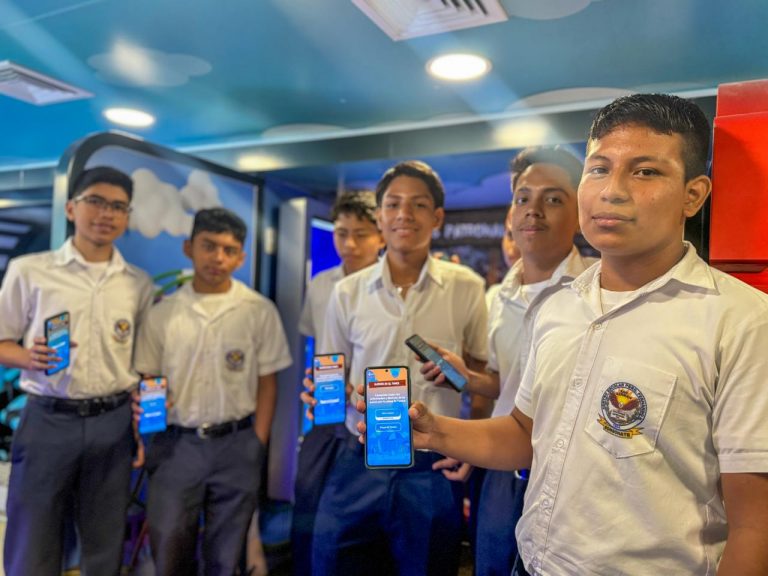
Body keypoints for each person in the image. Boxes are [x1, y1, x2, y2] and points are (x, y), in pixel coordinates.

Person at [362, 94, 768, 575]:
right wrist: (437, 431)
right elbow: (525, 433)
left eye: (645, 172)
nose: (613, 191)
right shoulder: (559, 307)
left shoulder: (742, 320)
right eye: (599, 169)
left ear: (693, 195)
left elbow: (755, 526)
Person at [307, 160, 488, 576]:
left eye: (418, 204)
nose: (404, 214)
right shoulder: (346, 292)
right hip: (358, 458)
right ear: (380, 216)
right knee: (336, 564)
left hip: (432, 464)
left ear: (437, 217)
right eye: (393, 204)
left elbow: (479, 375)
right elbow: (332, 373)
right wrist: (329, 393)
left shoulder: (466, 287)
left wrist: (474, 445)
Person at [0, 166, 154, 576]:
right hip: (48, 419)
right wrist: (28, 357)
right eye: (96, 202)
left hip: (113, 422)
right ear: (71, 208)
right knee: (33, 537)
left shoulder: (138, 284)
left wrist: (143, 430)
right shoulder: (30, 270)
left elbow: (143, 364)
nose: (106, 214)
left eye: (118, 206)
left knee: (105, 542)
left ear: (127, 216)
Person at [134, 208, 292, 575]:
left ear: (241, 258)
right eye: (209, 246)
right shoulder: (163, 313)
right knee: (170, 550)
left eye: (229, 250)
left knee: (227, 555)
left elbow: (267, 383)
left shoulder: (258, 310)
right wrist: (150, 419)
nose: (218, 258)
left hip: (236, 444)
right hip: (176, 445)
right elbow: (148, 376)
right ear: (189, 247)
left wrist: (256, 442)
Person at [460, 146, 594, 576]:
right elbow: (507, 384)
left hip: (571, 473)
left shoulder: (601, 287)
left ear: (580, 213)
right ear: (510, 214)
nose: (533, 210)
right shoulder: (499, 295)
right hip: (502, 471)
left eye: (553, 198)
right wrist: (468, 379)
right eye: (523, 198)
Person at [291, 190, 384, 575]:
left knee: (357, 518)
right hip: (327, 413)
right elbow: (320, 347)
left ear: (380, 235)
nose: (349, 244)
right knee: (308, 500)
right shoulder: (321, 284)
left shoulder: (387, 285)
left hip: (370, 419)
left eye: (361, 234)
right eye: (341, 233)